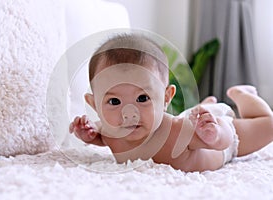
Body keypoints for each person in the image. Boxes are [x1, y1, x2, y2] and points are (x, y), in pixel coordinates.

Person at [69, 34, 273, 172]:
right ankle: (205, 104)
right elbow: (99, 134)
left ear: (166, 98)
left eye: (142, 98)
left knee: (268, 125)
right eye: (114, 101)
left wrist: (216, 134)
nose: (128, 113)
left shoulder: (178, 132)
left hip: (218, 132)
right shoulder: (110, 130)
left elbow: (225, 141)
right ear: (94, 104)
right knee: (196, 115)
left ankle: (241, 95)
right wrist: (87, 133)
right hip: (195, 119)